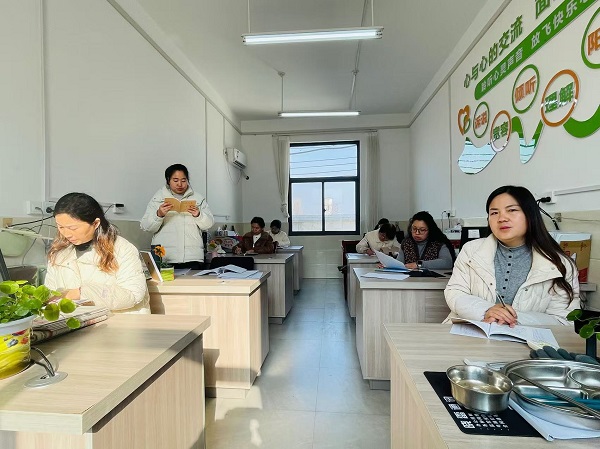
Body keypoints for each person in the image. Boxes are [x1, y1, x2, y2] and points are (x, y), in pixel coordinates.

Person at [444, 185, 580, 326]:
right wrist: (486, 310)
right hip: (469, 333)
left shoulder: (560, 264)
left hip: (525, 338)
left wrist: (510, 318)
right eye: (494, 213)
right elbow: (455, 292)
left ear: (530, 215)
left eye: (512, 210)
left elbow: (563, 319)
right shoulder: (471, 250)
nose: (502, 218)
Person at [45, 192, 150, 313]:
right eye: (60, 227)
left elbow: (133, 294)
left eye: (73, 228)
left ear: (95, 223)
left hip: (119, 321)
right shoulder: (59, 253)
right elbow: (50, 293)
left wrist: (81, 293)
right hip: (75, 321)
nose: (66, 234)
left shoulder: (122, 249)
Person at [140, 164, 214, 270]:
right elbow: (146, 226)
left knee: (192, 281)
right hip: (164, 258)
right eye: (175, 180)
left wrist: (198, 215)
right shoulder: (158, 199)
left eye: (183, 180)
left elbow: (209, 224)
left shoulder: (198, 198)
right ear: (168, 180)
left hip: (192, 257)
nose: (180, 184)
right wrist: (159, 214)